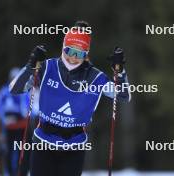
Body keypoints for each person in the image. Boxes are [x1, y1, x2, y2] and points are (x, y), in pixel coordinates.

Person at [9, 20, 131, 176]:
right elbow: (15, 88)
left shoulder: (95, 77)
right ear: (63, 47)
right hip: (43, 144)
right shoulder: (47, 67)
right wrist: (31, 65)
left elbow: (123, 95)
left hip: (74, 148)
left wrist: (119, 72)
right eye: (69, 51)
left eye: (79, 53)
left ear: (86, 54)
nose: (73, 57)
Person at [0, 67, 30, 176]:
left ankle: (20, 172)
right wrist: (4, 119)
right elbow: (0, 108)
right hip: (9, 126)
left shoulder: (24, 91)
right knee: (9, 150)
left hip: (20, 125)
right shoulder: (3, 91)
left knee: (21, 150)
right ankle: (10, 172)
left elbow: (27, 107)